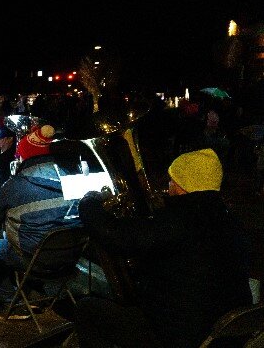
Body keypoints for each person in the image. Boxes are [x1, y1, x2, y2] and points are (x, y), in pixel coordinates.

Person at [75, 148, 252, 348]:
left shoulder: (181, 220)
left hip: (183, 336)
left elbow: (115, 235)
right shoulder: (231, 219)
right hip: (228, 333)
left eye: (171, 180)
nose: (168, 187)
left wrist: (88, 202)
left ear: (183, 184)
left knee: (87, 309)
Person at [0, 152, 82, 304]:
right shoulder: (70, 178)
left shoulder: (15, 184)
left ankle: (9, 296)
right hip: (69, 259)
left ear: (25, 158)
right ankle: (54, 288)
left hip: (32, 260)